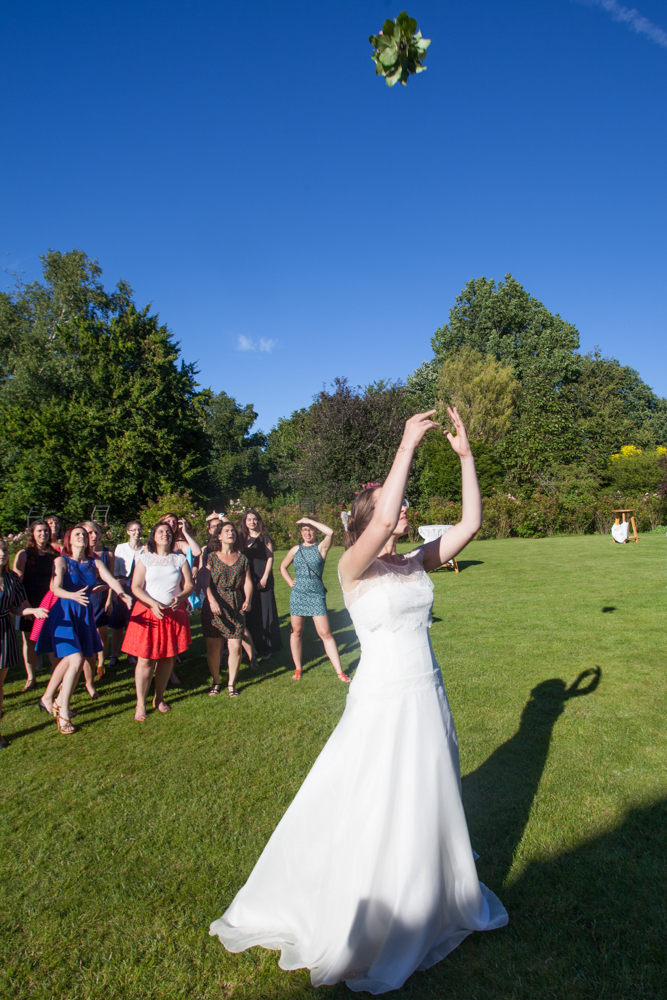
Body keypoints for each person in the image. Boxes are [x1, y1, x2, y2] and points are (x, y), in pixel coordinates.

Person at [210, 408, 508, 992]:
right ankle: (367, 905)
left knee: (427, 790)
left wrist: (467, 458)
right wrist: (405, 446)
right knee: (375, 798)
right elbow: (374, 527)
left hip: (427, 693)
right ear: (371, 518)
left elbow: (470, 525)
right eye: (394, 507)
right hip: (382, 701)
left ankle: (425, 891)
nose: (405, 512)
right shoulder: (352, 566)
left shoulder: (414, 561)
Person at [36, 525, 132, 734]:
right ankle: (63, 712)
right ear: (69, 540)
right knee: (76, 660)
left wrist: (121, 593)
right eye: (77, 534)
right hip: (63, 613)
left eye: (85, 535)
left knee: (71, 659)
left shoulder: (94, 562)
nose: (82, 537)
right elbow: (56, 588)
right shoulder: (61, 560)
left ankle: (47, 698)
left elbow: (108, 578)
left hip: (83, 615)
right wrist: (72, 596)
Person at [122, 521, 194, 721]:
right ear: (153, 536)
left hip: (173, 614)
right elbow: (136, 587)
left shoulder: (179, 559)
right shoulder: (145, 558)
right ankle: (140, 704)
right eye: (161, 531)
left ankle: (159, 698)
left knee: (167, 658)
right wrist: (152, 604)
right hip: (149, 613)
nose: (165, 534)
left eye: (168, 532)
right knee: (145, 659)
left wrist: (180, 598)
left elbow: (189, 585)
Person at [279, 517, 348, 683]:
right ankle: (298, 669)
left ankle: (340, 672)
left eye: (310, 529)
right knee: (296, 631)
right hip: (298, 595)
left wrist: (309, 520)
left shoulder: (321, 547)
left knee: (325, 633)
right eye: (304, 529)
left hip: (316, 595)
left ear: (316, 531)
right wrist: (290, 582)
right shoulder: (295, 549)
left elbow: (330, 532)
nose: (307, 532)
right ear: (300, 533)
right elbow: (282, 567)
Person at [0, 538, 49, 748]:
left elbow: (16, 607)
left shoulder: (11, 578)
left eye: (3, 550)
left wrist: (33, 611)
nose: (2, 554)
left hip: (4, 632)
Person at [199, 522, 254, 698]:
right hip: (214, 603)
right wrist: (211, 600)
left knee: (235, 645)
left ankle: (231, 683)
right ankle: (216, 681)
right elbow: (204, 582)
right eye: (226, 531)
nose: (231, 533)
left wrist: (248, 599)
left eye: (233, 531)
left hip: (235, 604)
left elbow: (247, 582)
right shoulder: (211, 557)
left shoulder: (243, 558)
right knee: (214, 647)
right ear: (219, 536)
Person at [12, 520, 58, 691]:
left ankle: (56, 675)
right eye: (39, 531)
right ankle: (31, 678)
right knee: (29, 641)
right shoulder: (24, 554)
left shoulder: (54, 554)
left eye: (46, 531)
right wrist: (26, 606)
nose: (43, 534)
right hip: (28, 601)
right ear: (32, 533)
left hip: (49, 603)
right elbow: (18, 582)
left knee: (52, 640)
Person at [158, 513, 202, 684]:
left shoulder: (180, 543)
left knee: (174, 633)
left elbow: (197, 552)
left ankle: (170, 670)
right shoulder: (155, 544)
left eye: (175, 522)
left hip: (178, 594)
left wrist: (185, 533)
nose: (172, 524)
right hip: (159, 594)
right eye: (168, 521)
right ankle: (161, 670)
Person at [239, 509, 282, 660]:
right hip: (248, 578)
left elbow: (270, 557)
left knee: (265, 611)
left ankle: (269, 648)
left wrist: (265, 577)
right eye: (249, 519)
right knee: (251, 612)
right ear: (245, 522)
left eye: (255, 519)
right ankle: (253, 647)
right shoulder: (242, 538)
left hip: (263, 577)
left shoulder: (264, 536)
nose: (252, 522)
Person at [81, 520, 112, 691]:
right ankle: (86, 670)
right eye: (89, 533)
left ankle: (101, 664)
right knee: (85, 635)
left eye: (96, 532)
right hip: (83, 598)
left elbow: (112, 578)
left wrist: (110, 598)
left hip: (101, 596)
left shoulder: (106, 554)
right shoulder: (73, 556)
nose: (93, 536)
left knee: (102, 633)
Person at [108, 520, 144, 667]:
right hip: (123, 588)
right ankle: (113, 655)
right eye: (133, 530)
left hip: (139, 590)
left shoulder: (146, 549)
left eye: (139, 529)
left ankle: (131, 654)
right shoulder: (121, 548)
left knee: (133, 623)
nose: (137, 532)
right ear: (128, 532)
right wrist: (116, 591)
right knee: (118, 624)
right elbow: (114, 572)